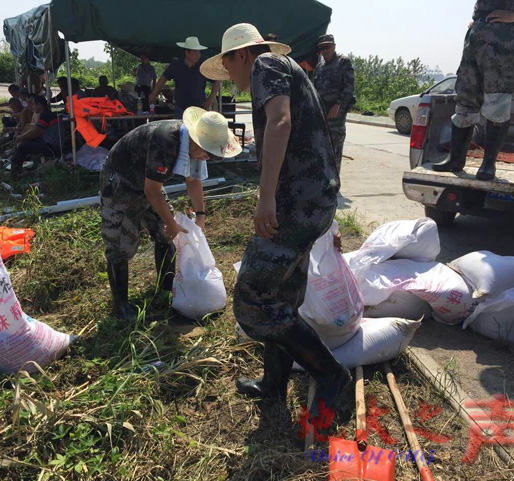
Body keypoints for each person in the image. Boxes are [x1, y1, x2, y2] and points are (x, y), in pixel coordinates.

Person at [201, 23, 352, 417]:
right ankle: (273, 385)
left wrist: (265, 197)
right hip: (308, 198)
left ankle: (332, 376)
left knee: (253, 300)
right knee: (279, 299)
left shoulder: (265, 64)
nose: (230, 77)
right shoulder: (279, 68)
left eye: (228, 65)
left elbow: (281, 123)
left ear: (242, 55)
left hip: (298, 204)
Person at [100, 108, 240, 321]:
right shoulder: (166, 141)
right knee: (120, 242)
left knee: (165, 233)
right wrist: (171, 224)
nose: (207, 157)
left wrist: (201, 215)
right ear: (195, 139)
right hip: (121, 179)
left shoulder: (194, 147)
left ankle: (165, 289)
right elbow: (152, 191)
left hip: (148, 180)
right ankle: (121, 308)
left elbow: (193, 180)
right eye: (207, 152)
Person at [433, 0, 514, 181]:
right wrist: (479, 21)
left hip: (501, 36)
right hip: (476, 34)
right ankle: (456, 160)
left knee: (497, 99)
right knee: (466, 97)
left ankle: (488, 164)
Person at [148, 37, 221, 119]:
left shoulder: (203, 66)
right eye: (195, 52)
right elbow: (163, 79)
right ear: (187, 53)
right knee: (181, 130)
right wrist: (153, 94)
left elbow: (217, 79)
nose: (198, 55)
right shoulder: (176, 65)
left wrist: (211, 98)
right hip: (181, 108)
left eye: (199, 52)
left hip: (199, 108)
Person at [313, 34, 355, 174]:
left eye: (328, 47)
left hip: (336, 114)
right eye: (322, 48)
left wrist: (338, 104)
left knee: (335, 148)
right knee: (322, 147)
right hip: (322, 113)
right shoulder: (319, 67)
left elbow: (349, 88)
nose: (325, 50)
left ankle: (334, 181)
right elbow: (315, 90)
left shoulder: (343, 62)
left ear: (334, 46)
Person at [10, 96, 62, 178]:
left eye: (33, 104)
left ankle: (14, 174)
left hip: (53, 147)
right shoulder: (46, 113)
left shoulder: (45, 114)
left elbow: (36, 131)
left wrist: (21, 136)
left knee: (22, 147)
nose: (32, 106)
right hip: (50, 143)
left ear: (39, 105)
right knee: (27, 142)